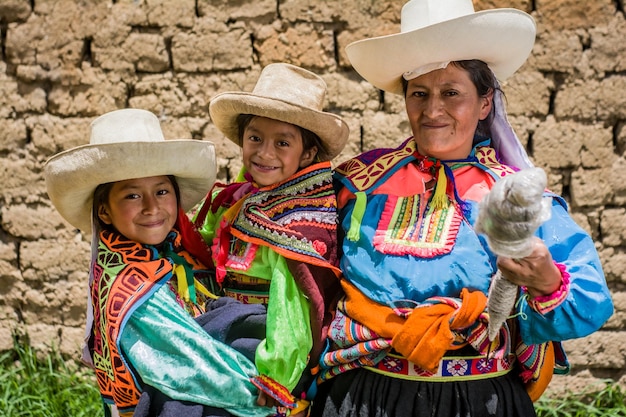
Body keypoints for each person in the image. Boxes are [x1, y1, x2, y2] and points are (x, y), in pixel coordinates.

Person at [310, 1, 614, 416]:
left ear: (485, 102)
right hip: (364, 398)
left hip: (479, 400)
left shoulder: (514, 197)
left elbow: (590, 301)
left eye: (451, 93)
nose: (433, 110)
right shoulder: (357, 184)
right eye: (420, 93)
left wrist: (546, 280)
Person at [44, 108, 274, 417]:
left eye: (162, 191)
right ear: (104, 212)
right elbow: (189, 362)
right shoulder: (127, 286)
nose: (152, 207)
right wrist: (264, 394)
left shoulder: (173, 253)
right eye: (132, 196)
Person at [192, 63, 349, 416]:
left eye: (282, 143)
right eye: (255, 138)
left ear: (307, 154)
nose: (264, 153)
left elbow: (291, 306)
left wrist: (275, 374)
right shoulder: (234, 200)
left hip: (261, 349)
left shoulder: (300, 220)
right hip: (219, 338)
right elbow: (201, 251)